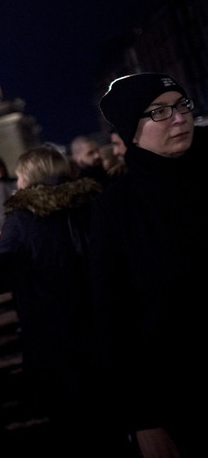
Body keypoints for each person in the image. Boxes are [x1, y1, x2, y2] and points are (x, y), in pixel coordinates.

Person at [90, 72, 207, 457]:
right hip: (182, 394)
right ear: (131, 132)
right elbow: (113, 316)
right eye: (159, 111)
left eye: (181, 105)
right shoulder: (116, 208)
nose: (179, 118)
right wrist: (143, 418)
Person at [0, 146, 122, 455]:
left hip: (51, 337)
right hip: (104, 327)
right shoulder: (93, 202)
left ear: (28, 177)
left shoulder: (22, 219)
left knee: (72, 427)